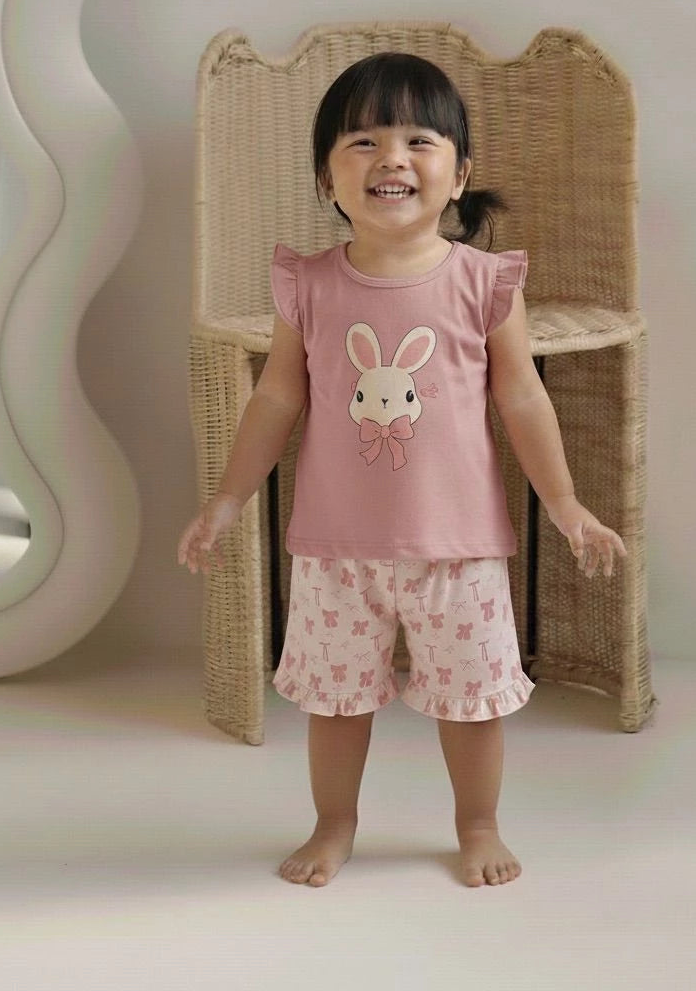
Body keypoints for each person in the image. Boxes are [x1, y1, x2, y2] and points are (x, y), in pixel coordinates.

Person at [177, 51, 627, 889]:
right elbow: (277, 398)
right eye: (363, 142)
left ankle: (478, 824)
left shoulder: (485, 284)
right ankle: (334, 824)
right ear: (328, 177)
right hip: (336, 550)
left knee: (473, 703)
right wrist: (229, 498)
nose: (392, 157)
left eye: (419, 140)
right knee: (335, 702)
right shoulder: (308, 286)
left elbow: (522, 398)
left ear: (460, 174)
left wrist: (566, 503)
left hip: (459, 549)